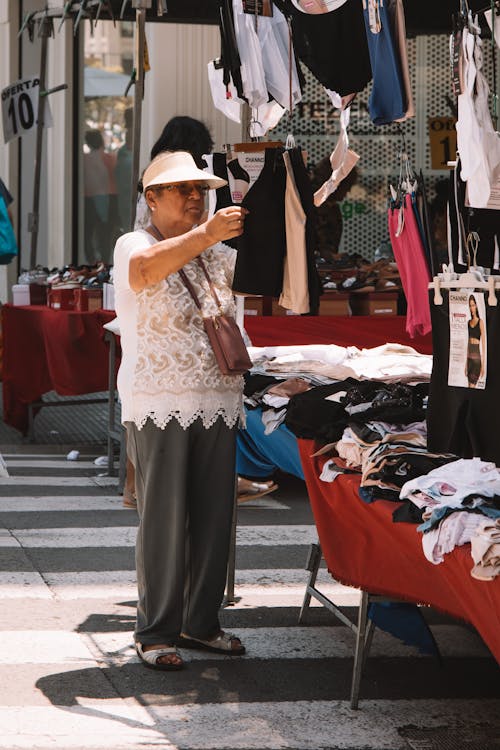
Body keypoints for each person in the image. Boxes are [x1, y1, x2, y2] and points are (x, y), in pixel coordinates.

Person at [113, 150, 248, 670]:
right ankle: (155, 631)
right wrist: (208, 235)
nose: (197, 198)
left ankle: (200, 622)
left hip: (216, 397)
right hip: (159, 399)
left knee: (216, 519)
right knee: (165, 520)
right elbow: (144, 272)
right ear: (152, 198)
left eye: (202, 190)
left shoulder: (219, 250)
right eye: (183, 190)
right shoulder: (136, 241)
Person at [466, 294, 486, 388]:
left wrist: (483, 364)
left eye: (473, 305)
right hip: (469, 358)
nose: (471, 308)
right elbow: (467, 343)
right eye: (470, 305)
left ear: (476, 306)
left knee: (472, 387)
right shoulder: (468, 322)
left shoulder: (480, 322)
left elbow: (484, 344)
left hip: (477, 359)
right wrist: (465, 364)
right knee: (468, 387)